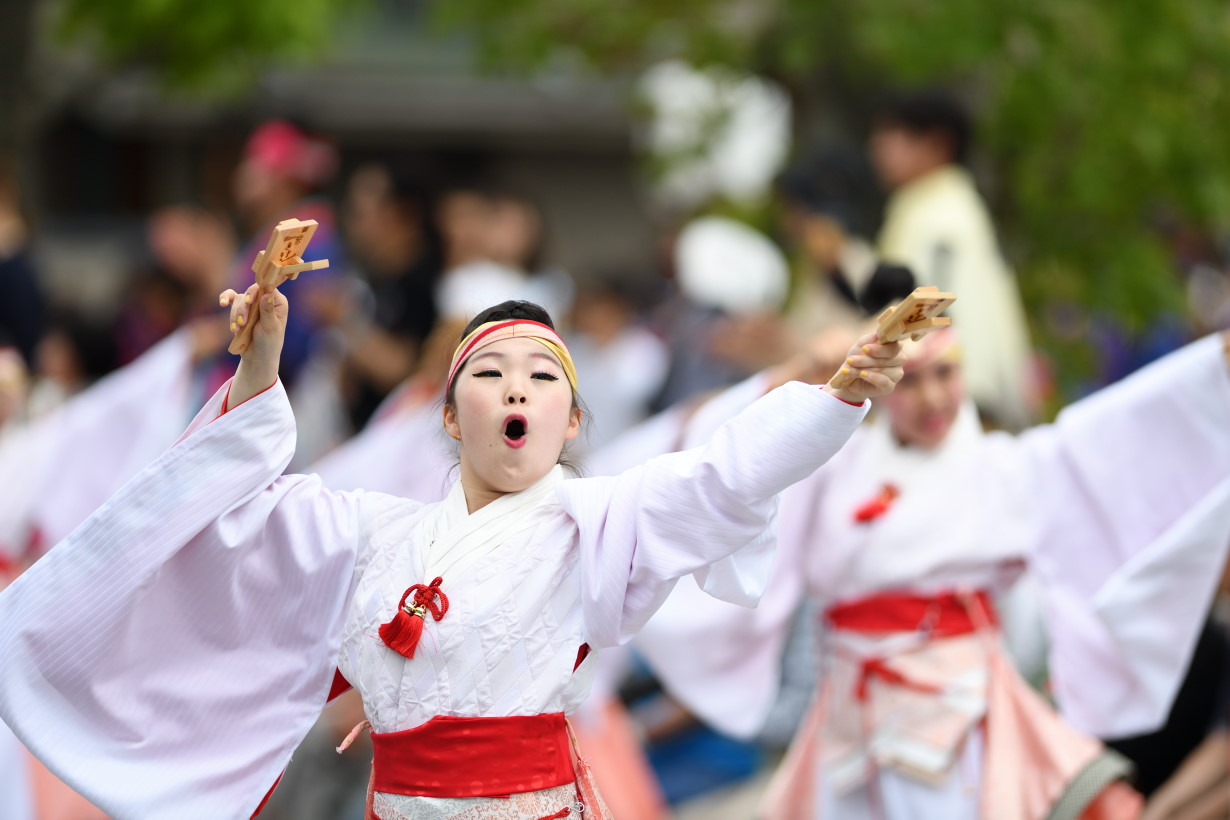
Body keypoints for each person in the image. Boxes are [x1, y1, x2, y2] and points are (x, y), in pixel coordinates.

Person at [0, 272, 904, 819]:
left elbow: (724, 475)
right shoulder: (367, 528)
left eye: (543, 376)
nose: (518, 388)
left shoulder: (596, 521)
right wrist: (260, 367)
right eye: (491, 373)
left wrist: (835, 400)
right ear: (448, 411)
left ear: (572, 417)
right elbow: (226, 519)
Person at [639, 326, 1230, 819]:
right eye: (912, 379)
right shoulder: (835, 466)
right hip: (848, 712)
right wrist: (801, 371)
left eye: (946, 373)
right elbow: (736, 464)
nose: (931, 398)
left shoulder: (1006, 467)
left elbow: (1111, 437)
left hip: (961, 715)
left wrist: (1210, 367)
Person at [870, 89, 1037, 430]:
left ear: (936, 144)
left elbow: (928, 304)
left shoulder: (940, 215)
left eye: (895, 135)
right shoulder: (945, 204)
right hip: (951, 398)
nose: (879, 148)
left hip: (954, 402)